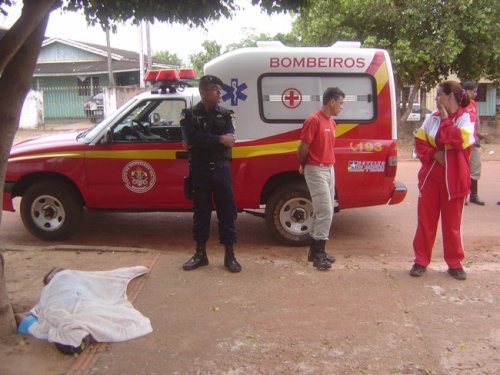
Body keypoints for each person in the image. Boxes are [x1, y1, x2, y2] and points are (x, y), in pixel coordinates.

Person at [410, 81, 475, 280]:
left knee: (452, 225)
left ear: (450, 96)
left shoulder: (466, 118)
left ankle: (454, 263)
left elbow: (454, 140)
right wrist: (433, 154)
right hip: (430, 179)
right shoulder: (432, 118)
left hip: (454, 181)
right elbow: (419, 142)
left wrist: (446, 120)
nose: (437, 99)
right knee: (425, 222)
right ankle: (420, 261)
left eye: (439, 95)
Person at [180, 75, 241, 273]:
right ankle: (200, 254)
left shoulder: (225, 114)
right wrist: (218, 139)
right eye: (215, 89)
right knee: (201, 213)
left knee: (227, 213)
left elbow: (229, 140)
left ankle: (229, 255)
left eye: (219, 89)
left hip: (221, 169)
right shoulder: (189, 115)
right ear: (203, 91)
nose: (219, 93)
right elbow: (191, 138)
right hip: (199, 170)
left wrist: (205, 140)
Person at [297, 87, 345, 270]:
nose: (341, 107)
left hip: (329, 169)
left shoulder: (331, 123)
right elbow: (303, 147)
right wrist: (303, 165)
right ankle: (318, 255)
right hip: (316, 169)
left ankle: (316, 252)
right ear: (331, 102)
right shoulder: (313, 120)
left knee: (322, 211)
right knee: (325, 210)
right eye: (340, 103)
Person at [463, 81, 485, 205]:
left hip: (473, 141)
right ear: (466, 91)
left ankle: (474, 195)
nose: (475, 94)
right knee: (463, 168)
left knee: (476, 166)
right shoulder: (460, 104)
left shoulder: (473, 104)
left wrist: (478, 134)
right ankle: (463, 195)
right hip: (464, 143)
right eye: (473, 91)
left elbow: (476, 120)